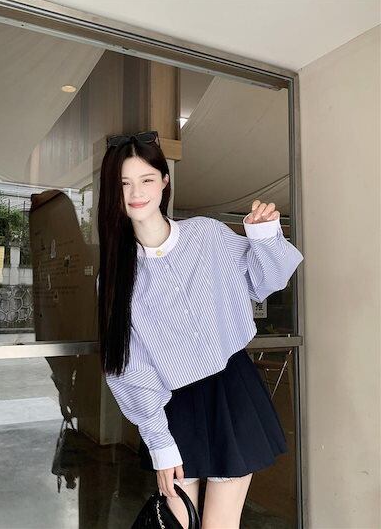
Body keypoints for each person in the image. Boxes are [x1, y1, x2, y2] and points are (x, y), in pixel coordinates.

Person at [97, 130, 304, 528]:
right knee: (178, 523)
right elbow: (127, 368)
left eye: (146, 179)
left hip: (232, 389)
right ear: (112, 191)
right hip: (172, 403)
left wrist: (263, 235)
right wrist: (159, 441)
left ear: (164, 182)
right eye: (124, 183)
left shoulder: (206, 235)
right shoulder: (116, 276)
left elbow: (264, 281)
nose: (136, 192)